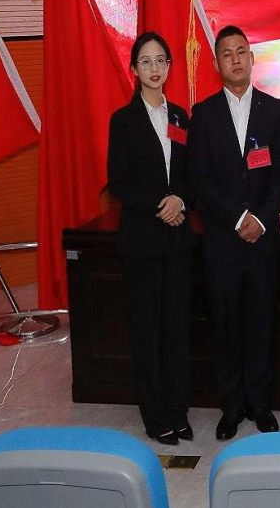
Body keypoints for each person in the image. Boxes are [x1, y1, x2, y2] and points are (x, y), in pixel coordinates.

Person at [187, 25, 280, 441]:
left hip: (263, 239)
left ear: (251, 58)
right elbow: (199, 179)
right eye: (227, 54)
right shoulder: (203, 114)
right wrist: (237, 217)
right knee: (227, 325)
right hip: (223, 242)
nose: (235, 59)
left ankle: (259, 403)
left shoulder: (274, 110)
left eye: (241, 51)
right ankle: (231, 406)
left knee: (261, 323)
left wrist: (260, 219)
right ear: (217, 64)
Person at [106, 32, 193, 446]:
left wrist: (181, 199)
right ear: (134, 70)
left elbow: (191, 174)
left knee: (176, 330)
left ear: (170, 67)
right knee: (147, 332)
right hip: (142, 241)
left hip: (177, 242)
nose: (154, 68)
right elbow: (118, 183)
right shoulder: (122, 121)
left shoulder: (181, 117)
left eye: (161, 61)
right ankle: (155, 415)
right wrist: (162, 203)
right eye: (146, 62)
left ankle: (178, 410)